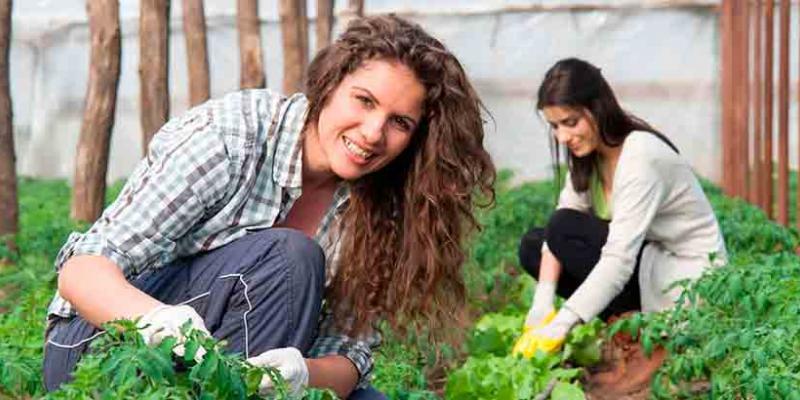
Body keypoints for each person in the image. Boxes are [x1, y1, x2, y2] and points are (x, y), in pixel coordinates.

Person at [43, 15, 495, 399]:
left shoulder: (382, 204)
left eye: (400, 123)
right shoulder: (231, 137)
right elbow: (82, 270)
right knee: (287, 257)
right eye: (364, 100)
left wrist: (300, 374)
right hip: (101, 350)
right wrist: (158, 321)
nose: (374, 133)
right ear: (330, 84)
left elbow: (350, 352)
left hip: (230, 367)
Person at [513, 58, 726, 363]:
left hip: (686, 283)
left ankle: (641, 332)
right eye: (554, 126)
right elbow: (560, 224)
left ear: (597, 107)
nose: (562, 137)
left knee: (563, 229)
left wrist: (562, 324)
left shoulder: (640, 156)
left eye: (570, 122)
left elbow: (619, 259)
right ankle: (626, 325)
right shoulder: (589, 155)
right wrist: (543, 303)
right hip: (649, 267)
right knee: (535, 245)